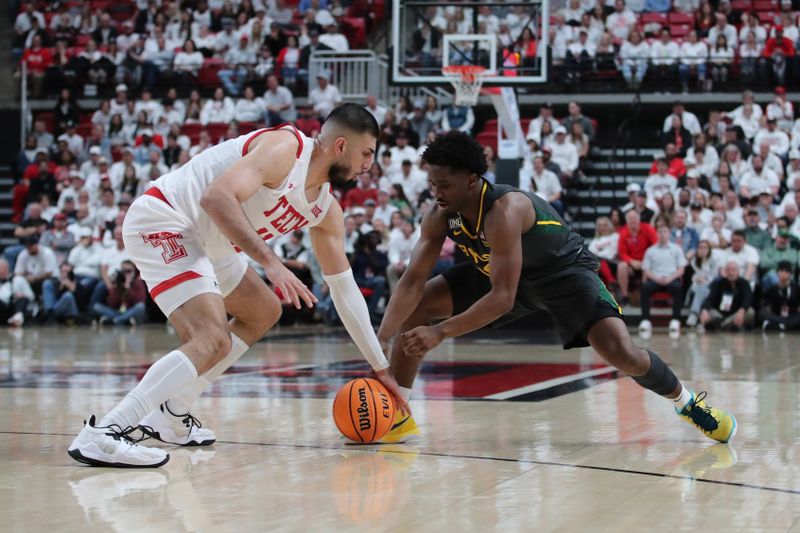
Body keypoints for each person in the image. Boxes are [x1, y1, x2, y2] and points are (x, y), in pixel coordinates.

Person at [68, 104, 408, 468]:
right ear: (341, 146)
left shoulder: (325, 210)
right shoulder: (285, 149)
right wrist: (272, 264)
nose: (369, 165)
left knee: (263, 310)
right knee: (211, 338)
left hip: (213, 243)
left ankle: (172, 413)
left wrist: (379, 366)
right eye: (367, 153)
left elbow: (345, 292)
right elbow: (215, 198)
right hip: (168, 218)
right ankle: (106, 432)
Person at [374, 131, 736, 446]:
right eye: (432, 184)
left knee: (623, 353)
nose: (436, 192)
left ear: (472, 180)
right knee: (418, 301)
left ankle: (687, 403)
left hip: (563, 273)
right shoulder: (441, 213)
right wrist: (383, 337)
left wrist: (439, 332)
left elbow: (503, 298)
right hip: (499, 272)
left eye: (444, 185)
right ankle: (399, 412)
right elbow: (411, 280)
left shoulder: (504, 210)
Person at [638, 224, 686, 336]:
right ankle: (645, 320)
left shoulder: (676, 249)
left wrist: (670, 278)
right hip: (655, 278)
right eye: (660, 231)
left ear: (669, 234)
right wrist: (656, 278)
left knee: (677, 288)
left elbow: (681, 269)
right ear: (657, 234)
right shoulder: (650, 250)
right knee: (645, 288)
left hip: (671, 278)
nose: (662, 234)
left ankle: (675, 320)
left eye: (665, 231)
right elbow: (646, 270)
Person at [699, 260, 755, 331]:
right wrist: (705, 310)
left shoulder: (744, 284)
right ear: (725, 272)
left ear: (738, 272)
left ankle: (723, 326)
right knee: (708, 312)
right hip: (720, 314)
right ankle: (726, 325)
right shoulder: (718, 283)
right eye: (728, 270)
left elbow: (748, 299)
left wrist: (742, 310)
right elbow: (710, 299)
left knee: (750, 312)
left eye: (733, 270)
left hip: (736, 314)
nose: (731, 273)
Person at [617, 209, 658, 304]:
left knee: (647, 267)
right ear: (626, 221)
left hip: (647, 261)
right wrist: (631, 262)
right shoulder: (623, 232)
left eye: (634, 218)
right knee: (621, 266)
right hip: (631, 263)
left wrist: (645, 261)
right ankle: (625, 296)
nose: (632, 220)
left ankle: (645, 295)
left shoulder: (647, 228)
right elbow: (622, 253)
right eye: (630, 218)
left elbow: (656, 246)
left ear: (639, 219)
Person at [686, 240, 718, 327]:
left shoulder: (714, 262)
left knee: (703, 287)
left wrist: (704, 280)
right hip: (694, 287)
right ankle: (698, 318)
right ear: (697, 249)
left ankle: (694, 314)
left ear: (709, 250)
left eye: (705, 248)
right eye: (700, 248)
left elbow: (714, 277)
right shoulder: (693, 262)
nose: (703, 250)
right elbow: (690, 276)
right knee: (701, 286)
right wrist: (697, 278)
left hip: (709, 287)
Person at [761, 260, 800, 331]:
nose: (783, 274)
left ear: (790, 274)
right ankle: (784, 325)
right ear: (777, 273)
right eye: (781, 271)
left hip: (792, 315)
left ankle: (781, 325)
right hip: (777, 315)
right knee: (763, 314)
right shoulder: (771, 289)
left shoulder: (796, 287)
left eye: (786, 272)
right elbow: (767, 307)